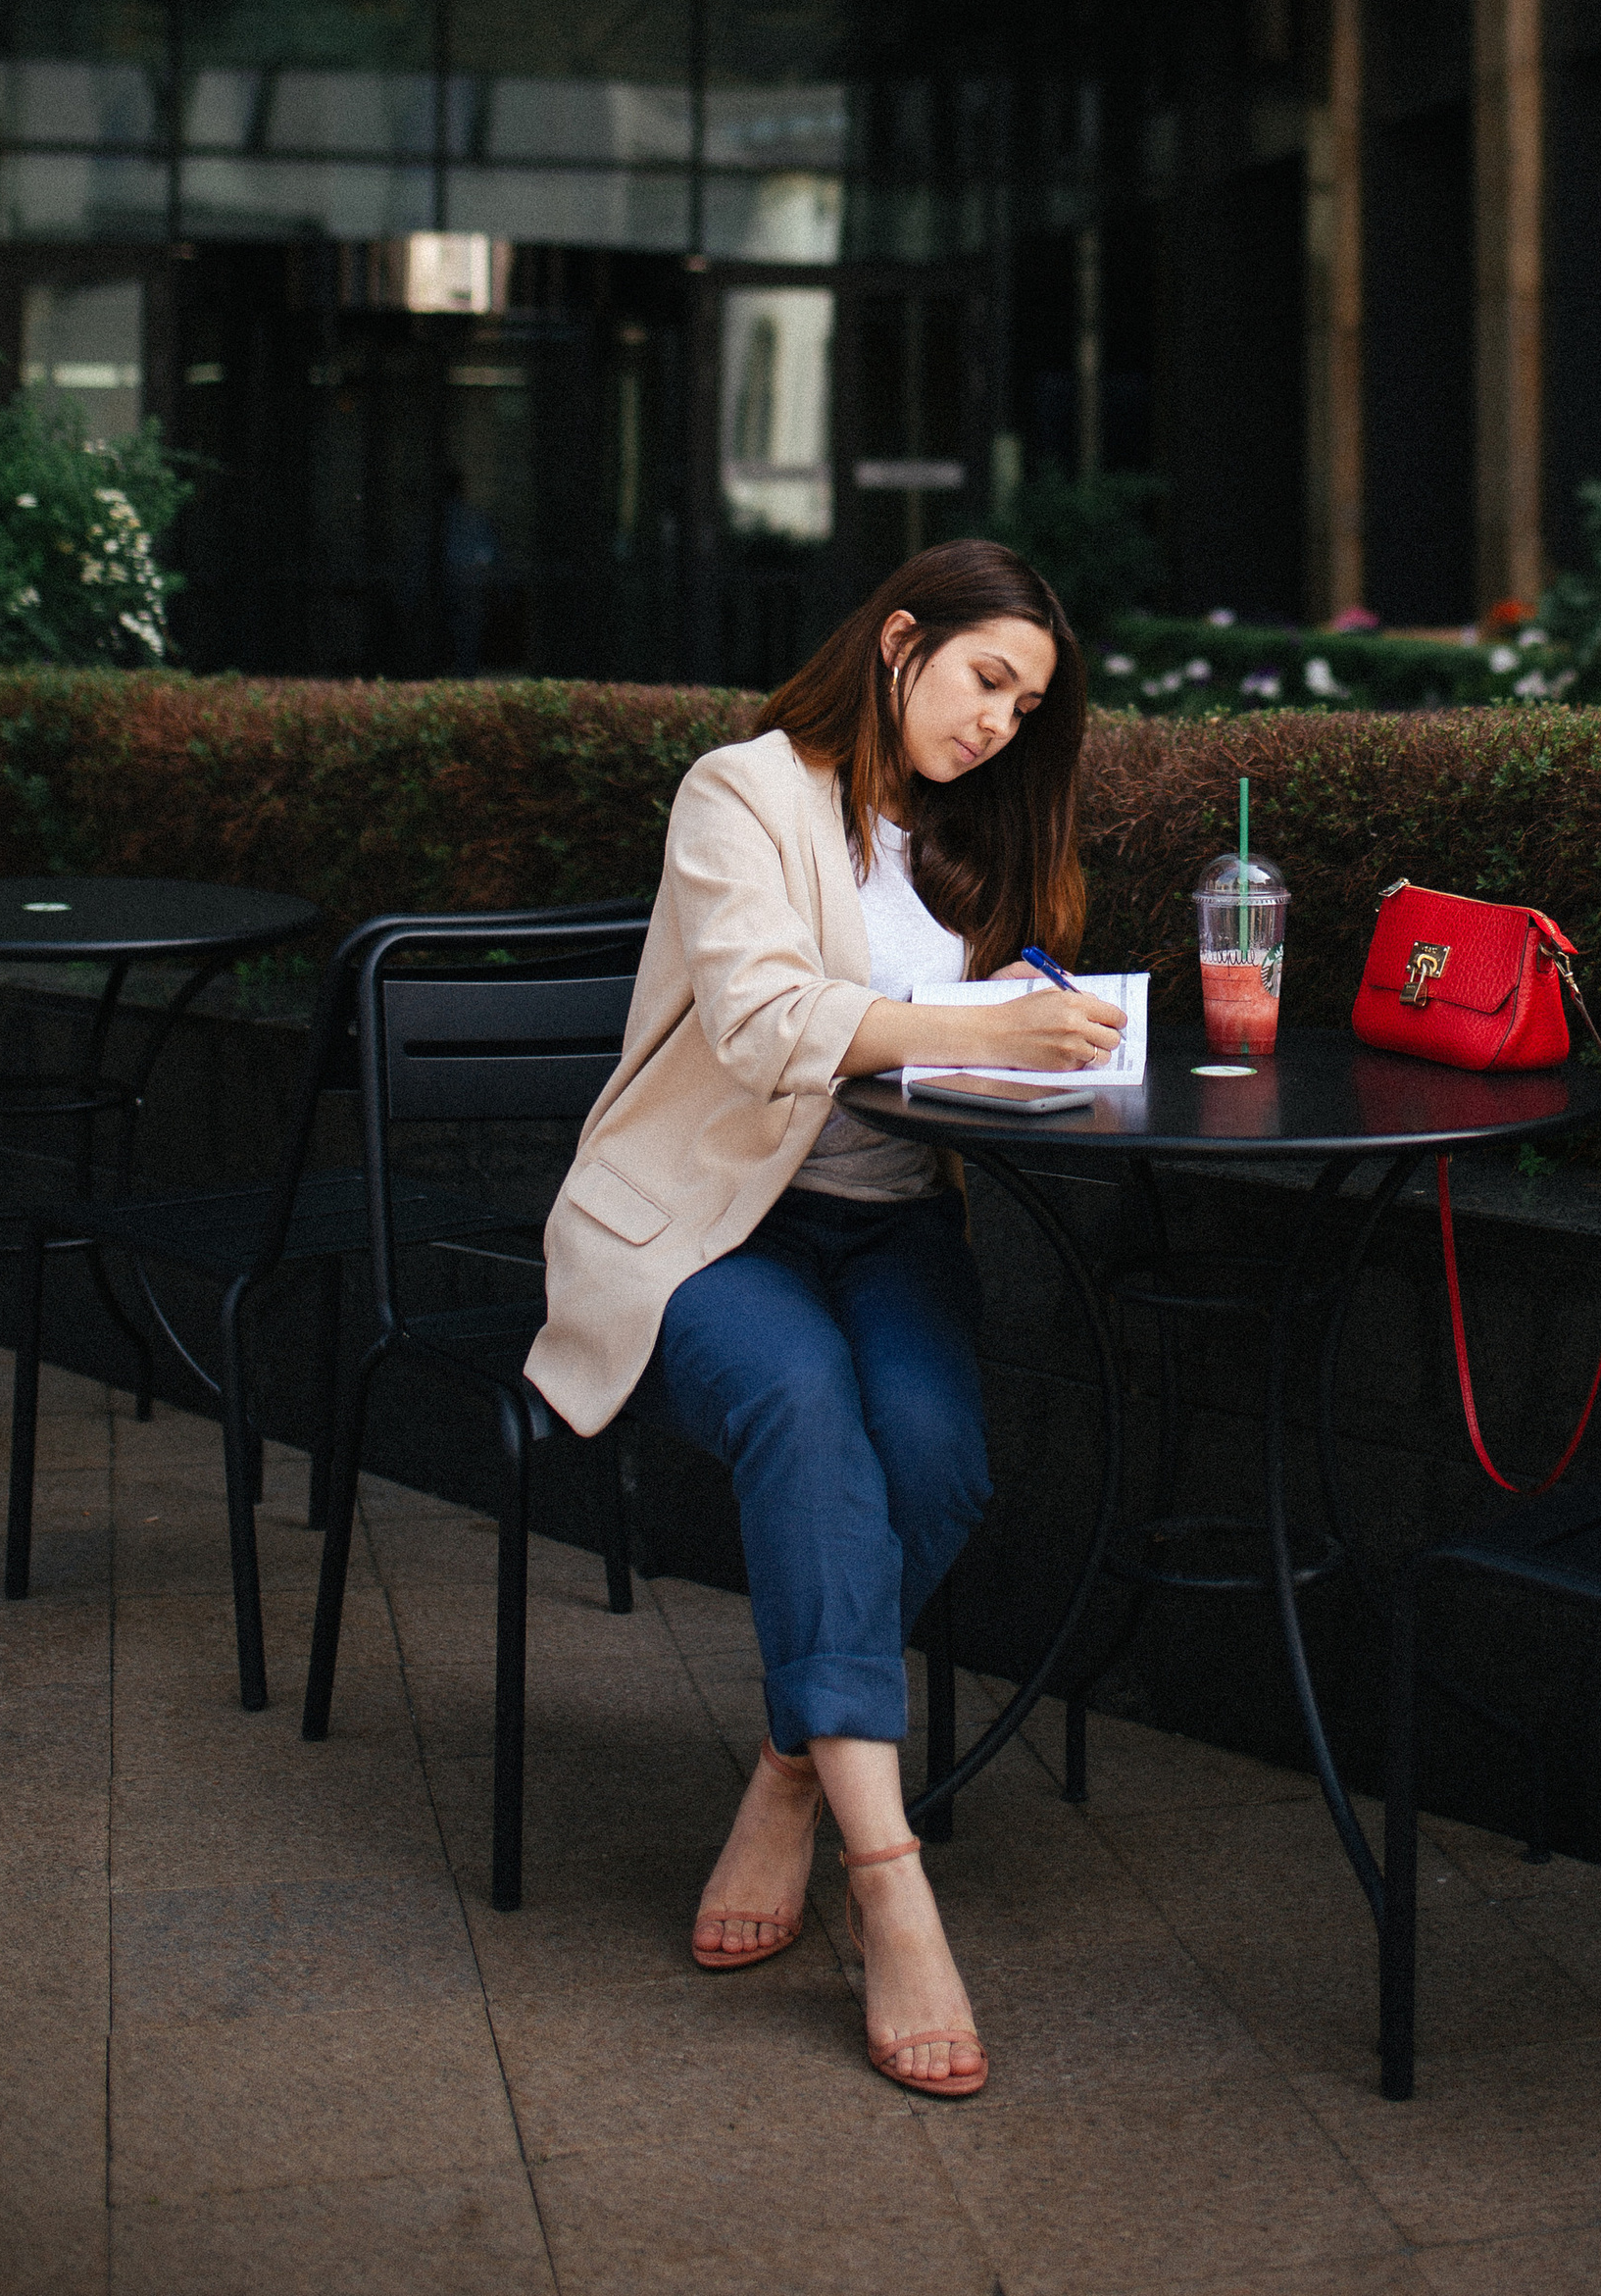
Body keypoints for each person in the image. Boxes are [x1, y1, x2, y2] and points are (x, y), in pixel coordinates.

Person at [525, 539, 1124, 2100]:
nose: (999, 724)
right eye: (986, 679)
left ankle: (789, 1776)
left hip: (894, 1222)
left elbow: (970, 1060)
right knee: (803, 1416)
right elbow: (768, 1018)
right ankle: (891, 1875)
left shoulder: (977, 835)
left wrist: (1053, 1038)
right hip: (708, 1217)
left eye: (1028, 704)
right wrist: (987, 1020)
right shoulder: (744, 790)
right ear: (902, 638)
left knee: (934, 1463)